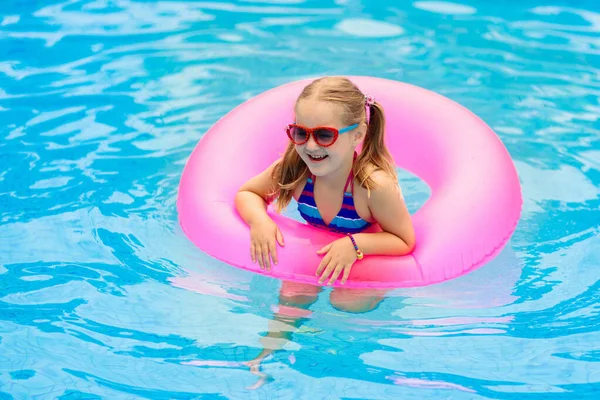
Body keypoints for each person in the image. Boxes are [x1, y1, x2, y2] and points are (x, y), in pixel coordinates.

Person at [234, 76, 415, 387]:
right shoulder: (295, 167)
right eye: (300, 133)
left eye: (324, 135)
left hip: (361, 259)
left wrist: (356, 244)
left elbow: (404, 240)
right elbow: (247, 193)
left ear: (356, 134)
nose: (311, 146)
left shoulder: (372, 186)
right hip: (317, 256)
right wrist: (260, 220)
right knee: (293, 292)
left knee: (347, 302)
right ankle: (264, 356)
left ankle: (340, 364)